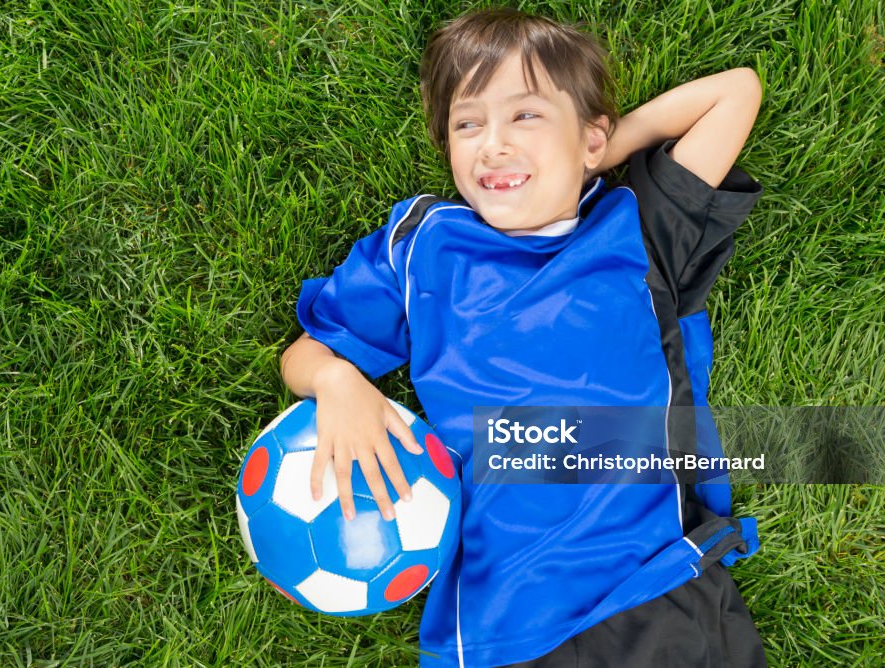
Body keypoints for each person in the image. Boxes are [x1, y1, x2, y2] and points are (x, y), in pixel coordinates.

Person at [280, 7, 766, 667]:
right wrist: (335, 381)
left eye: (526, 116)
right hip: (504, 624)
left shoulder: (634, 232)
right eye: (468, 123)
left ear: (593, 139)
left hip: (657, 590)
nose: (494, 144)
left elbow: (734, 93)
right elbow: (308, 352)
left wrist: (590, 159)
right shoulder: (423, 249)